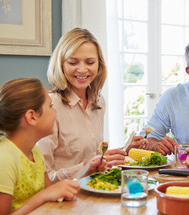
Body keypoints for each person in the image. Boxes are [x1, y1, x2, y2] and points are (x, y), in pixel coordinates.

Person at [37, 28, 144, 183]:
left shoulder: (99, 102)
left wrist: (123, 151)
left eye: (90, 62)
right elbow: (43, 178)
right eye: (73, 62)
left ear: (99, 65)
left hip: (91, 192)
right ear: (60, 64)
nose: (82, 69)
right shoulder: (50, 106)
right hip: (61, 199)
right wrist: (87, 167)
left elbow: (95, 159)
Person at [0, 78, 80, 214]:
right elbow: (46, 195)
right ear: (32, 117)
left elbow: (51, 195)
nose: (55, 112)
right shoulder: (5, 159)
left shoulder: (35, 152)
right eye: (50, 106)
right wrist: (42, 197)